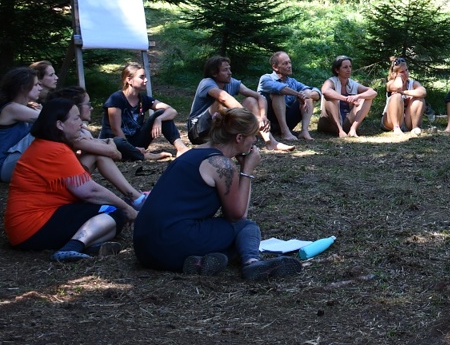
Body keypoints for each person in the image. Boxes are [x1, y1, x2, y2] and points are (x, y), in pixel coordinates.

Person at [133, 108, 302, 280]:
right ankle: (252, 262)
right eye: (253, 135)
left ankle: (200, 262)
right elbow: (238, 216)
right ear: (239, 138)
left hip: (145, 249)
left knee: (232, 237)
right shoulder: (221, 165)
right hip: (174, 241)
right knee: (246, 228)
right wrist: (247, 170)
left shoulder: (191, 154)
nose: (255, 140)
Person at [5, 99, 137, 262]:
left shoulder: (47, 145)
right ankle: (72, 247)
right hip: (33, 226)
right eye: (76, 118)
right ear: (60, 125)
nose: (81, 123)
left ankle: (86, 244)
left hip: (26, 227)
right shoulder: (55, 150)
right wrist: (126, 208)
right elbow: (90, 192)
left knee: (115, 219)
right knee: (114, 212)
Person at [47, 87, 148, 209]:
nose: (91, 108)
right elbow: (114, 153)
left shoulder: (78, 130)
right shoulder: (70, 134)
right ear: (75, 107)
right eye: (88, 104)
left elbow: (113, 152)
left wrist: (107, 144)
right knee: (98, 154)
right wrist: (110, 142)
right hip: (57, 188)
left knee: (102, 150)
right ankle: (136, 199)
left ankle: (136, 198)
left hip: (64, 179)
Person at [189, 56, 289, 151]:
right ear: (214, 73)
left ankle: (270, 142)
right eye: (225, 70)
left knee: (251, 100)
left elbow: (259, 97)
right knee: (219, 102)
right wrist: (250, 118)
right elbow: (224, 98)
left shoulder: (232, 82)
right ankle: (244, 136)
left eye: (229, 69)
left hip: (219, 129)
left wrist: (263, 116)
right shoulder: (207, 83)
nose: (230, 73)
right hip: (198, 131)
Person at [99, 63, 188, 161]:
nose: (146, 80)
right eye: (142, 77)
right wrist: (132, 148)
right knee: (118, 141)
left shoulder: (143, 99)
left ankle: (181, 148)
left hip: (136, 142)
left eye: (145, 77)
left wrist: (159, 119)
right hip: (115, 144)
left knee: (161, 113)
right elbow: (116, 130)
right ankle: (143, 156)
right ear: (129, 80)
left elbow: (172, 111)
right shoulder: (116, 99)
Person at [0, 67, 43, 182]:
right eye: (36, 85)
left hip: (14, 164)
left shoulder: (22, 108)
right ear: (23, 88)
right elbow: (52, 119)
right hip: (5, 168)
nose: (40, 88)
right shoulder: (11, 109)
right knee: (48, 130)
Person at [257, 51, 320, 142]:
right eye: (285, 63)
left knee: (308, 96)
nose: (289, 66)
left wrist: (307, 95)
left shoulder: (292, 82)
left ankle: (304, 131)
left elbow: (316, 92)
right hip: (269, 120)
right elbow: (279, 88)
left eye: (290, 62)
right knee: (278, 94)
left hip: (287, 119)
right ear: (275, 67)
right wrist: (298, 94)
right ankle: (284, 132)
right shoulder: (266, 78)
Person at [318, 56, 378, 138]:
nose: (349, 69)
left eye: (350, 66)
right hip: (330, 123)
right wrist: (345, 99)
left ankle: (353, 129)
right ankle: (340, 130)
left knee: (367, 98)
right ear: (337, 70)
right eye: (345, 67)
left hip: (347, 121)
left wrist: (357, 96)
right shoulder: (331, 81)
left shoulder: (352, 84)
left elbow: (373, 92)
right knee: (330, 98)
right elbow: (325, 91)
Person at [381, 57, 427, 134]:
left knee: (419, 99)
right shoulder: (390, 84)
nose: (406, 73)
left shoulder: (412, 83)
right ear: (395, 73)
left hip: (407, 121)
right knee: (396, 96)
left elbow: (423, 92)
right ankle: (396, 128)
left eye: (406, 70)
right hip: (390, 121)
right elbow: (398, 87)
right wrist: (398, 77)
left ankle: (415, 127)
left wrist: (405, 92)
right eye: (402, 72)